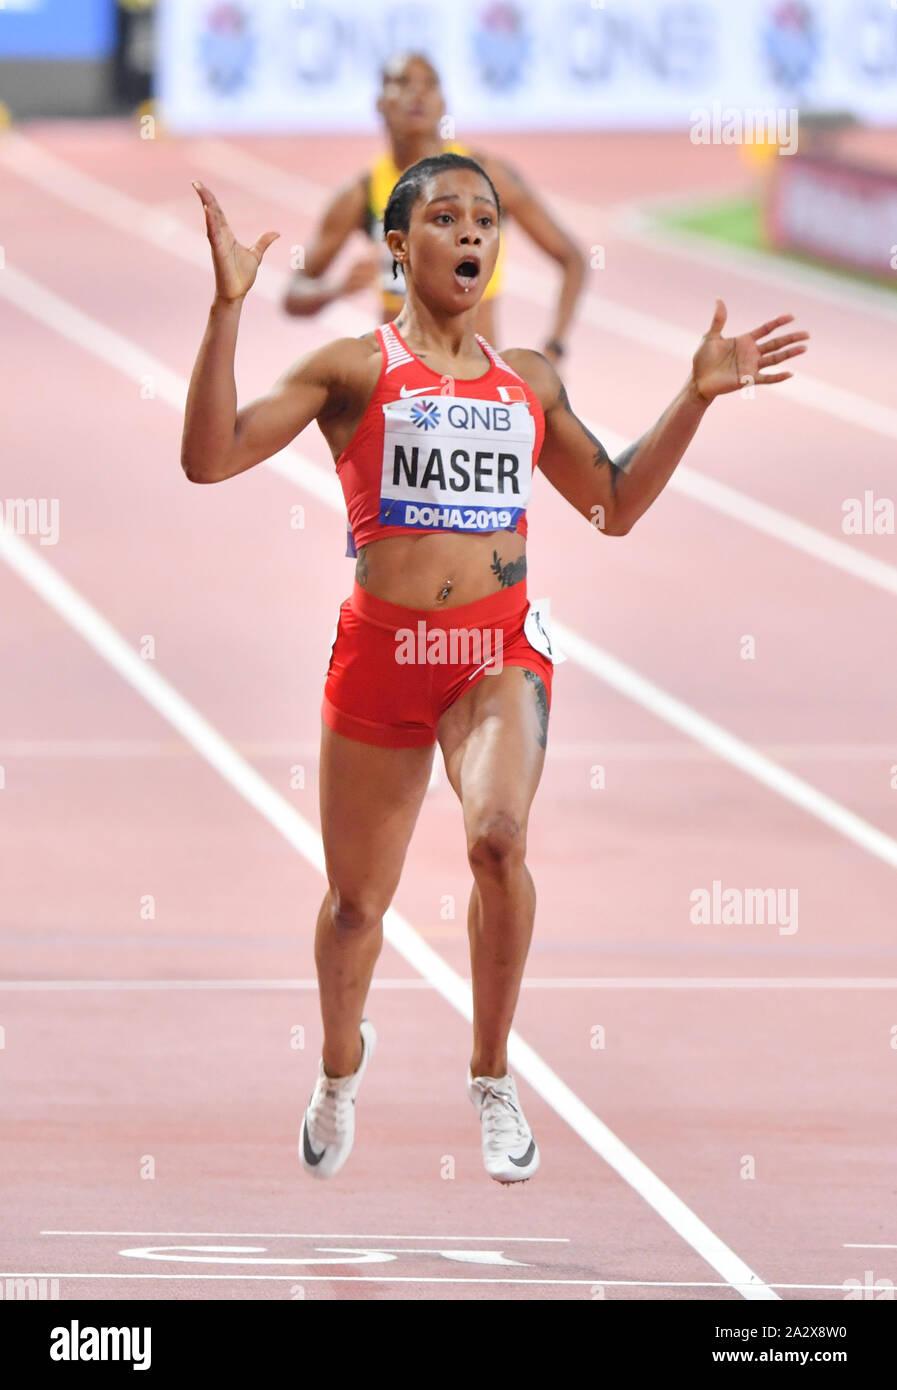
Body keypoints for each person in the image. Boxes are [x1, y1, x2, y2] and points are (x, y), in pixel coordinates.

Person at [182, 153, 808, 1185]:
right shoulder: (353, 368)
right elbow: (207, 458)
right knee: (354, 908)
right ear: (399, 247)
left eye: (486, 219)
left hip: (495, 655)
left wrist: (693, 398)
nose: (473, 232)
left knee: (498, 840)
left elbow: (613, 506)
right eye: (447, 217)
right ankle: (341, 1071)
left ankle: (491, 1073)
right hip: (382, 659)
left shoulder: (528, 383)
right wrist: (226, 309)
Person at [282, 50, 585, 367]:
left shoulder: (485, 177)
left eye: (430, 84)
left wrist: (555, 347)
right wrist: (335, 289)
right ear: (380, 103)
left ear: (443, 103)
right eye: (402, 82)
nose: (418, 93)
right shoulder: (362, 192)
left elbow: (572, 259)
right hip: (401, 388)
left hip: (480, 385)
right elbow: (294, 295)